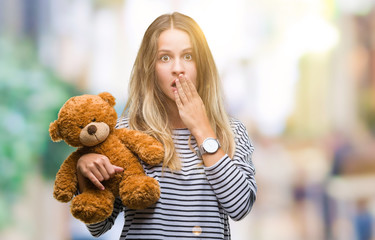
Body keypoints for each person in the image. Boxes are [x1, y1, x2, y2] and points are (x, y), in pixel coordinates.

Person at [76, 12, 257, 239]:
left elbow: (240, 207)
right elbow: (98, 227)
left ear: (202, 65)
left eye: (188, 56)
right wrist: (87, 176)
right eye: (165, 57)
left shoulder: (231, 131)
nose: (178, 68)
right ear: (150, 68)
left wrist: (202, 129)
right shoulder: (124, 132)